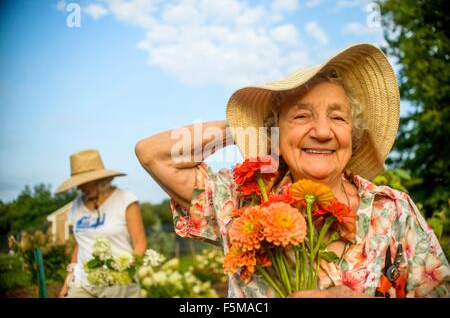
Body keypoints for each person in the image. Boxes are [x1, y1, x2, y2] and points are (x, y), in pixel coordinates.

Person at [135, 43, 450, 298]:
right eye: (302, 116)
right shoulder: (242, 200)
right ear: (276, 133)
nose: (323, 132)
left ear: (352, 137)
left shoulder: (393, 209)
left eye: (338, 118)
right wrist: (248, 129)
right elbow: (153, 154)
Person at [57, 149, 147, 298]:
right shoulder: (76, 206)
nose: (79, 188)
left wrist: (125, 274)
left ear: (99, 179)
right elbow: (79, 246)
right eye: (77, 183)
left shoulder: (125, 199)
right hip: (83, 284)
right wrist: (66, 284)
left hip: (118, 283)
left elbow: (140, 243)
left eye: (83, 182)